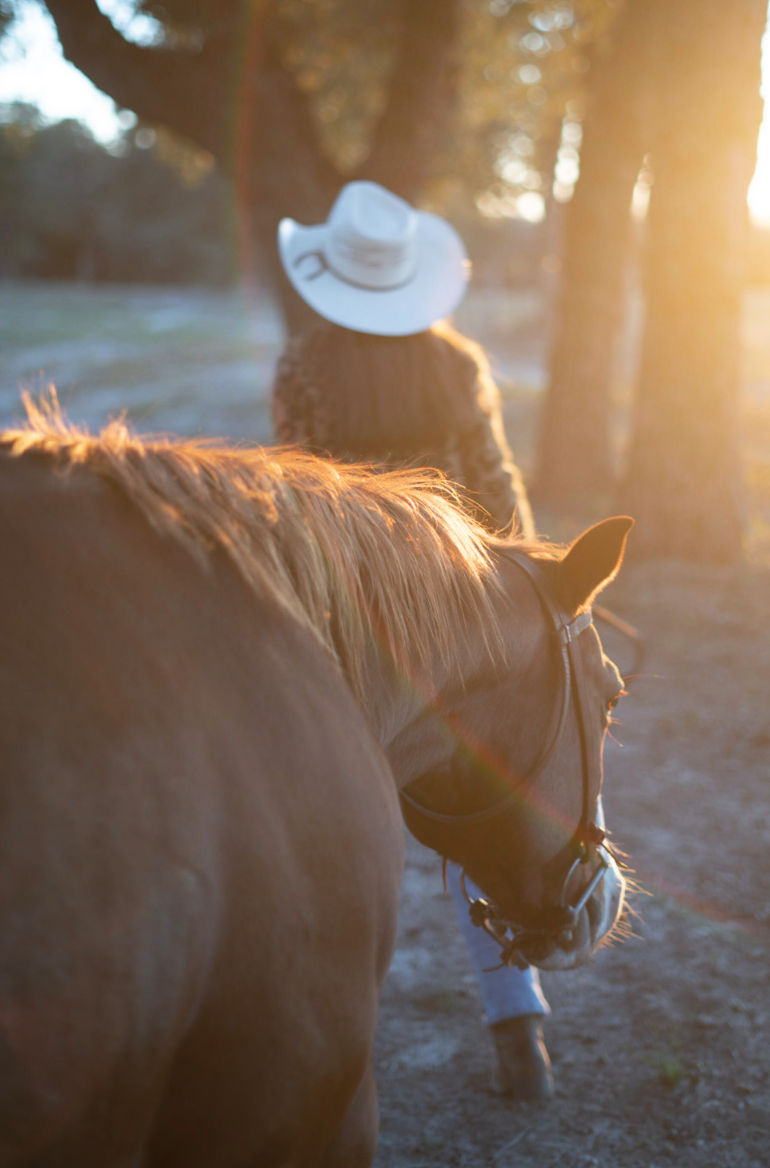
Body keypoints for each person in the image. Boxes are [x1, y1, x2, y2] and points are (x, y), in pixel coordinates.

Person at [271, 180, 553, 1100]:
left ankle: (328, 1035)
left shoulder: (306, 366)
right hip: (455, 620)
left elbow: (298, 502)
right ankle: (520, 1028)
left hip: (350, 619)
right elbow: (499, 494)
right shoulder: (458, 365)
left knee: (331, 819)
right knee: (473, 816)